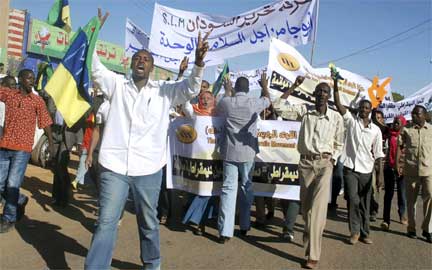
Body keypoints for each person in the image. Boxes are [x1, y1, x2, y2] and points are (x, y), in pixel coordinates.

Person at [84, 10, 211, 269]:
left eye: (146, 59)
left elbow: (190, 88)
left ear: (152, 67)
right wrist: (95, 32)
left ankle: (152, 263)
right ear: (131, 64)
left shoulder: (165, 92)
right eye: (137, 58)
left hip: (149, 169)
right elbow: (95, 68)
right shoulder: (116, 85)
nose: (141, 60)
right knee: (106, 221)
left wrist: (198, 65)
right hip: (114, 166)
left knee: (149, 221)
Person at [273, 76, 344, 269]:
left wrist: (333, 159)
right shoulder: (304, 111)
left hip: (324, 164)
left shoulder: (336, 117)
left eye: (325, 92)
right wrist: (294, 86)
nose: (322, 94)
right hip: (305, 165)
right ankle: (308, 231)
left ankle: (313, 255)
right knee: (307, 211)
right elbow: (278, 106)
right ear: (313, 95)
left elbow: (339, 142)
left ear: (329, 96)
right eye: (319, 91)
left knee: (319, 210)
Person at [216, 73, 270, 244]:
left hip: (230, 153)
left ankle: (225, 231)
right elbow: (268, 100)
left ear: (235, 87)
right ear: (248, 89)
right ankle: (245, 226)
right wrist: (264, 86)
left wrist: (227, 89)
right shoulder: (254, 103)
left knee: (228, 190)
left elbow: (221, 102)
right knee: (246, 188)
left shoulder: (227, 102)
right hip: (247, 154)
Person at [332, 74, 385, 246]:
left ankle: (365, 233)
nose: (363, 110)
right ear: (358, 109)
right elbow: (339, 104)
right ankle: (354, 232)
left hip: (367, 171)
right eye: (361, 108)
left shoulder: (376, 131)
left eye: (366, 108)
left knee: (365, 203)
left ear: (371, 111)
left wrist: (380, 175)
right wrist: (335, 84)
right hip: (350, 168)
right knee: (353, 200)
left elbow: (378, 155)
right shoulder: (351, 121)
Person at [0, 69, 54, 233]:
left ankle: (8, 217)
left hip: (22, 150)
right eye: (29, 78)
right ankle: (20, 199)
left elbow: (45, 122)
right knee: (1, 183)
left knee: (12, 184)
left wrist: (51, 144)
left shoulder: (37, 101)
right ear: (21, 79)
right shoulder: (10, 95)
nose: (32, 80)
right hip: (4, 146)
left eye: (34, 78)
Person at [398, 105, 432, 243]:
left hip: (428, 171)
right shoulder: (406, 129)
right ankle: (411, 228)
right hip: (411, 171)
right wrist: (398, 164)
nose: (413, 116)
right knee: (411, 202)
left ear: (424, 115)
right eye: (412, 114)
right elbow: (400, 147)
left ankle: (427, 229)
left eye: (417, 114)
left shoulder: (431, 130)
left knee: (430, 197)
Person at [381, 115, 407, 231]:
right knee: (388, 194)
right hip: (389, 168)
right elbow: (379, 123)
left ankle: (402, 214)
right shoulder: (388, 134)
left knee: (402, 194)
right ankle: (386, 220)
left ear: (403, 124)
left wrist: (402, 167)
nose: (395, 125)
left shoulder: (406, 136)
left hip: (401, 169)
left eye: (398, 123)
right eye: (394, 123)